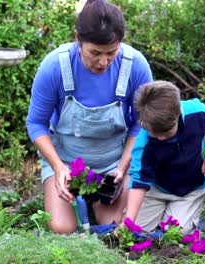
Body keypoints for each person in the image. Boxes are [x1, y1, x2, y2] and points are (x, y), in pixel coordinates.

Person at [26, 0, 154, 233]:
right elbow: (36, 124)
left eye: (111, 53)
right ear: (77, 38)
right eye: (95, 53)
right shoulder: (55, 66)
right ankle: (70, 198)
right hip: (66, 161)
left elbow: (140, 124)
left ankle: (98, 203)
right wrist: (58, 167)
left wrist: (123, 167)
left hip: (114, 163)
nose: (103, 62)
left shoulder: (135, 66)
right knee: (62, 229)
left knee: (114, 225)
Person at [124, 80, 205, 235]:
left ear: (178, 113)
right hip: (156, 189)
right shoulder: (143, 143)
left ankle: (179, 218)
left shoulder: (197, 112)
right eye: (155, 133)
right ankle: (157, 217)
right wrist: (128, 223)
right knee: (137, 232)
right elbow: (139, 182)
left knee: (176, 233)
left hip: (190, 189)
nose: (161, 138)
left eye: (167, 132)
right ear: (144, 123)